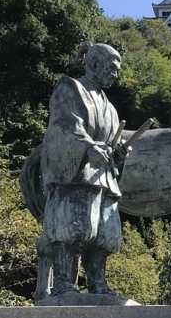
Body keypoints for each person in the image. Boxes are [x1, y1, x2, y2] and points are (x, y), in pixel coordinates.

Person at [39, 42, 127, 298]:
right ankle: (64, 283)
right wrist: (88, 147)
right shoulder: (71, 88)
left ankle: (98, 284)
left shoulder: (109, 106)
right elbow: (64, 126)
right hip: (77, 173)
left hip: (103, 177)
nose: (115, 75)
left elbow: (110, 142)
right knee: (71, 228)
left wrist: (118, 154)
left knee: (103, 235)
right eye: (112, 68)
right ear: (95, 64)